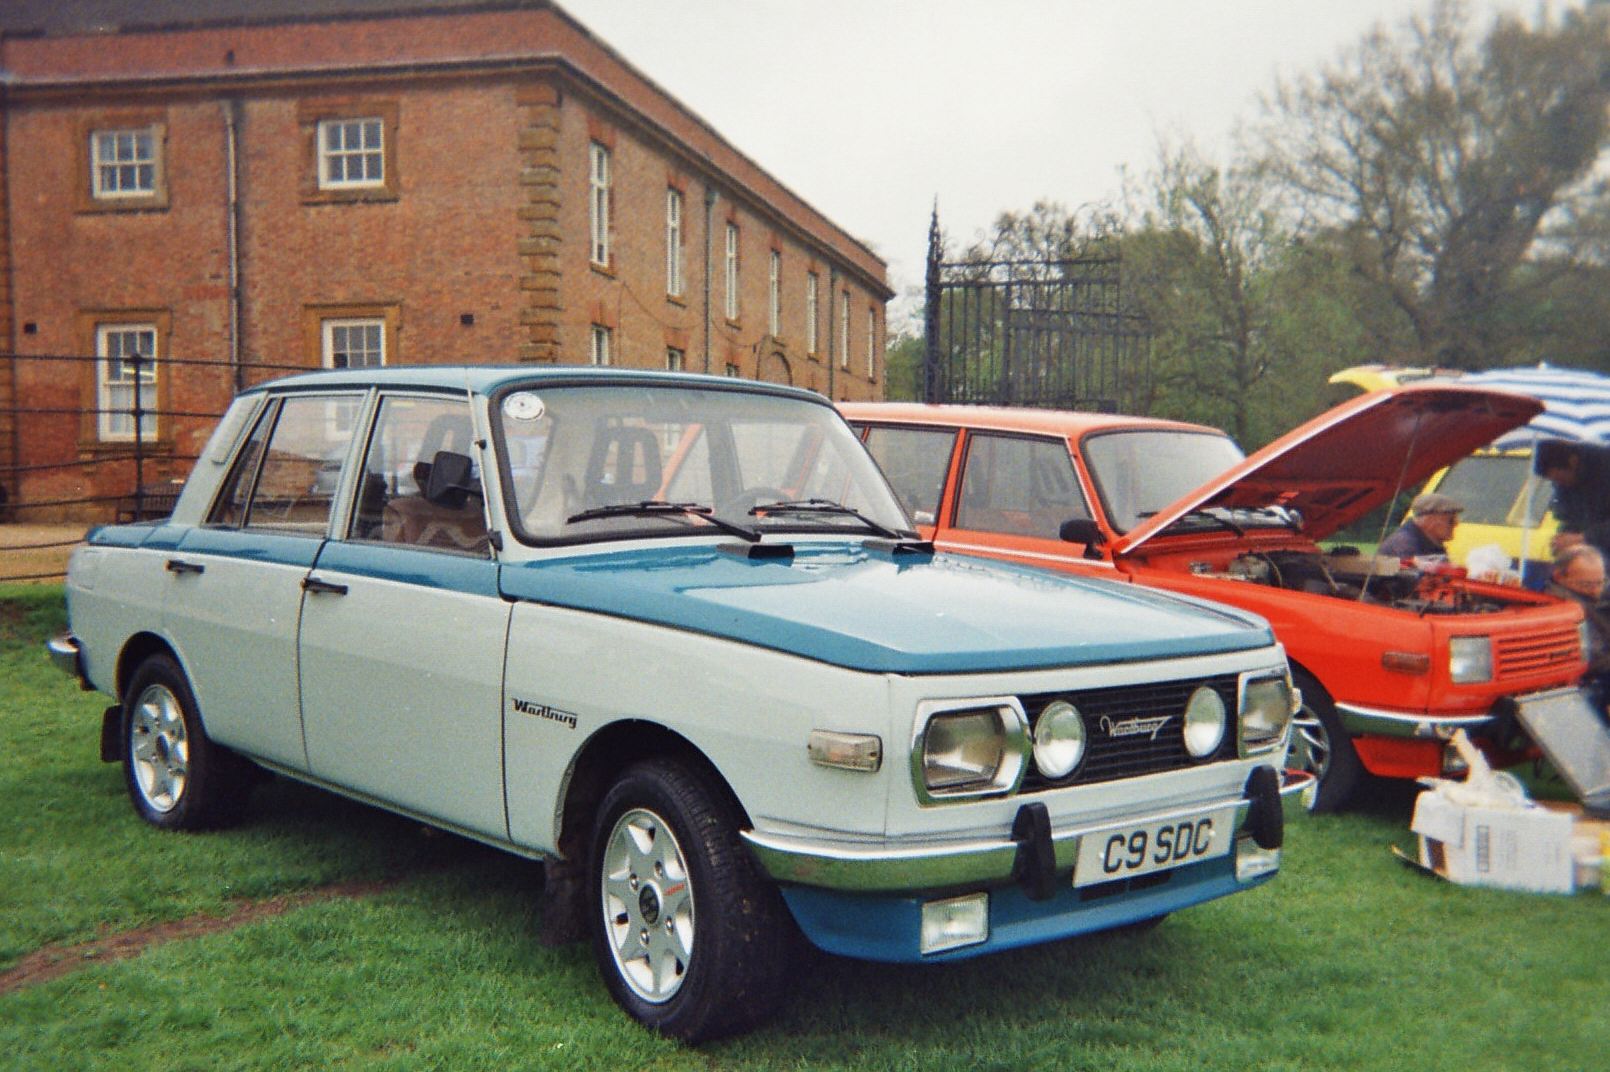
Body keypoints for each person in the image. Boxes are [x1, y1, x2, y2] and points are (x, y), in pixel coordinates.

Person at [1546, 544, 1610, 713]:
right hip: (1588, 689)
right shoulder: (1562, 607)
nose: (1596, 591)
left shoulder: (1590, 599)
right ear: (1559, 576)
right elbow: (1594, 658)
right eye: (1587, 585)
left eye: (1601, 582)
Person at [1534, 439, 1610, 562]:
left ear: (1573, 461)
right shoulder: (1566, 487)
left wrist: (1583, 538)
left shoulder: (1604, 469)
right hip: (1589, 559)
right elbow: (1567, 517)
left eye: (1559, 477)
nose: (1559, 483)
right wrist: (1563, 539)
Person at [1378, 492, 1463, 559]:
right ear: (1429, 520)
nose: (1456, 524)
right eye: (1451, 520)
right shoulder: (1405, 545)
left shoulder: (1431, 543)